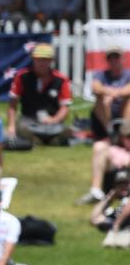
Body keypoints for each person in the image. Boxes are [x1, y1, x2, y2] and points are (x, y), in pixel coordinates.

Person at [77, 47, 130, 204]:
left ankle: (124, 130)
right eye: (111, 58)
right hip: (107, 121)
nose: (114, 61)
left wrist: (115, 94)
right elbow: (96, 88)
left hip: (124, 116)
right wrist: (109, 93)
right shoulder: (101, 74)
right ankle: (95, 190)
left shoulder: (127, 74)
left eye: (117, 58)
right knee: (101, 100)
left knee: (128, 99)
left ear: (122, 59)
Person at [7, 43, 72, 146]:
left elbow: (65, 107)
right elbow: (12, 104)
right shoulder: (22, 76)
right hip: (29, 120)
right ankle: (37, 141)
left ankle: (50, 140)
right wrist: (11, 126)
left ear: (51, 61)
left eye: (45, 60)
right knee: (22, 128)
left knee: (67, 130)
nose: (42, 63)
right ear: (33, 60)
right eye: (39, 60)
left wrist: (54, 119)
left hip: (52, 122)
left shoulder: (61, 79)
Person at [91, 168, 130, 233]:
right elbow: (93, 219)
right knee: (99, 218)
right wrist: (108, 198)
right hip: (120, 224)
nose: (123, 186)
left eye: (126, 183)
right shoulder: (123, 202)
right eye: (120, 183)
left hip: (122, 224)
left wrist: (117, 224)